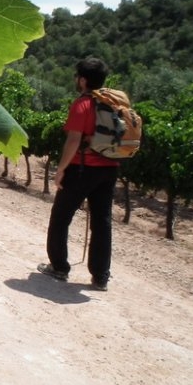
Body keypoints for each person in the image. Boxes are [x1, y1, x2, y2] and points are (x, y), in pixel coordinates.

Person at [38, 57, 119, 291]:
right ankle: (101, 276)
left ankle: (59, 267)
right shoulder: (112, 103)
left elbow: (74, 140)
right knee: (102, 222)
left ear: (82, 80)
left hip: (82, 168)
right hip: (109, 169)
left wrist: (60, 169)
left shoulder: (82, 105)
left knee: (61, 217)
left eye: (77, 77)